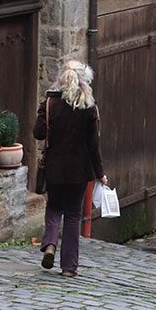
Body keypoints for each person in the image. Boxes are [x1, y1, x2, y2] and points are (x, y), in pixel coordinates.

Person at [33, 60, 106, 278]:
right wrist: (100, 172)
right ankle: (69, 267)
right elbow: (94, 145)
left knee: (54, 207)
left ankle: (50, 245)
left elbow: (38, 133)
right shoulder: (89, 107)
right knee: (74, 215)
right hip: (80, 170)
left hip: (54, 167)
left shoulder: (49, 104)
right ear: (85, 81)